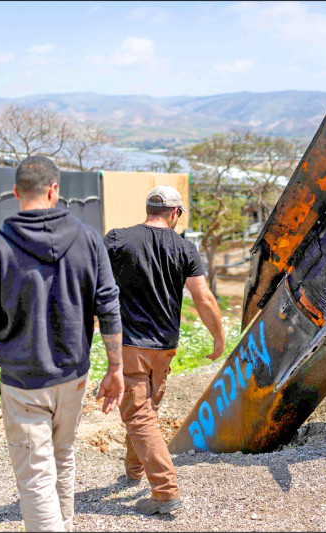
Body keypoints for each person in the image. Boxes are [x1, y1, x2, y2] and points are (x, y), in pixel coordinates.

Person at [0, 155, 125, 532]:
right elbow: (108, 305)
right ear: (55, 190)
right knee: (63, 456)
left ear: (15, 192)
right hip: (73, 376)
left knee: (35, 475)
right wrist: (115, 368)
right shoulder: (88, 239)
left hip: (23, 382)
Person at [103, 184, 225, 515]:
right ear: (175, 213)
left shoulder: (117, 239)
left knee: (138, 411)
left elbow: (94, 284)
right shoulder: (185, 247)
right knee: (143, 407)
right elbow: (204, 298)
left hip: (130, 343)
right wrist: (218, 336)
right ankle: (134, 468)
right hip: (165, 347)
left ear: (148, 209)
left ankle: (165, 490)